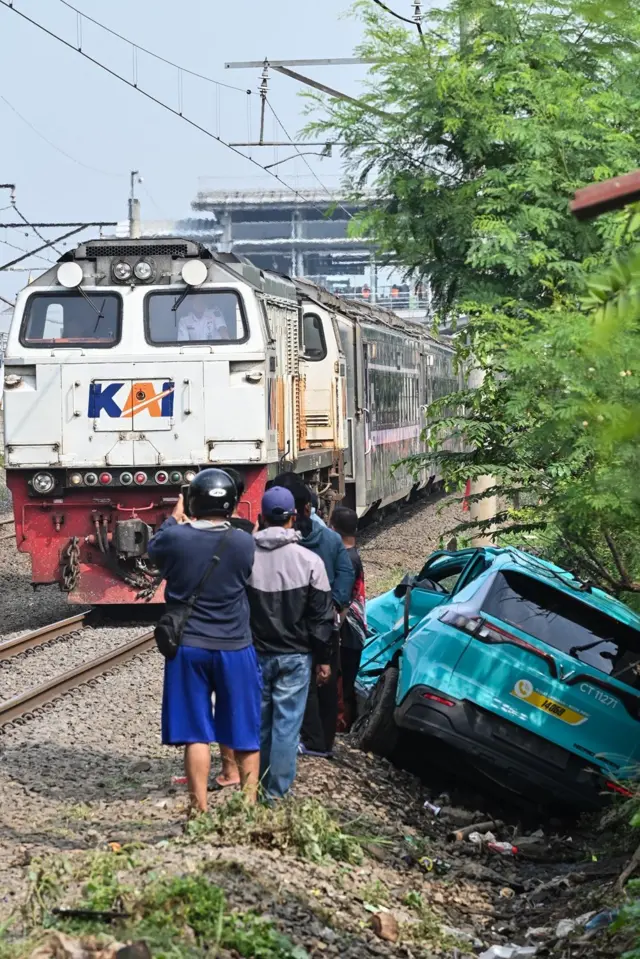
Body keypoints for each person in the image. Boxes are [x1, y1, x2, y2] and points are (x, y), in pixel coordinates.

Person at [148, 468, 261, 814]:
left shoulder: (176, 538)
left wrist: (173, 518)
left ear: (192, 501)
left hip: (189, 647)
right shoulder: (243, 542)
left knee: (196, 732)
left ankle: (199, 808)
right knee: (245, 731)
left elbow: (154, 550)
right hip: (236, 646)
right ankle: (249, 808)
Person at [247, 487, 334, 801]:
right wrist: (324, 659)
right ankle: (276, 795)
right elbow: (322, 617)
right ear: (294, 519)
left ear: (261, 518)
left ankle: (254, 789)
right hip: (296, 658)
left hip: (255, 655)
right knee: (286, 727)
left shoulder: (246, 561)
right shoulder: (310, 562)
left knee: (259, 725)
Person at [269, 473, 354, 758]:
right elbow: (346, 573)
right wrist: (336, 605)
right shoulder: (330, 541)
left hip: (288, 626)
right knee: (327, 682)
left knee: (295, 685)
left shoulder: (275, 545)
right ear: (307, 508)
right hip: (324, 626)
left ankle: (302, 739)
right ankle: (323, 742)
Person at [215, 467, 255, 789]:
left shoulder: (193, 537)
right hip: (240, 634)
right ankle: (249, 789)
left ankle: (227, 769)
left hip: (201, 637)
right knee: (240, 709)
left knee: (216, 708)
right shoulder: (248, 536)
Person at [330, 507, 367, 731]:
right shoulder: (353, 555)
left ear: (333, 528)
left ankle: (341, 728)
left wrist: (333, 628)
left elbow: (342, 601)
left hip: (347, 631)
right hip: (355, 630)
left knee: (342, 683)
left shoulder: (347, 560)